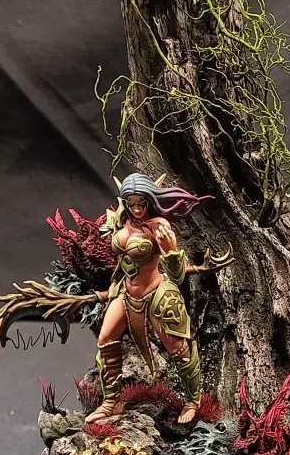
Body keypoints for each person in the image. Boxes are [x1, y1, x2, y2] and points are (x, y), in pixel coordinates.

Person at [86, 172, 213, 425]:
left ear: (149, 200)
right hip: (125, 292)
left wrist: (171, 250)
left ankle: (193, 400)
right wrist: (114, 283)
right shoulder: (122, 220)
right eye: (131, 203)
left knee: (177, 348)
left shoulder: (159, 226)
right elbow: (123, 261)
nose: (136, 209)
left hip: (157, 294)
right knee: (105, 339)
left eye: (141, 203)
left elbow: (177, 276)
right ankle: (111, 402)